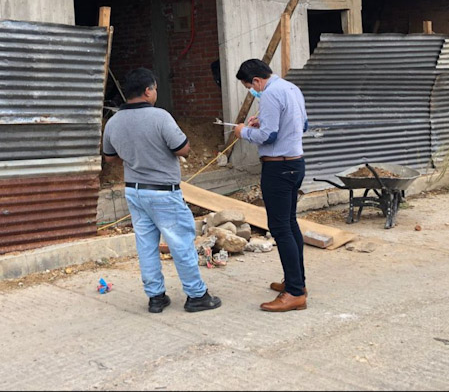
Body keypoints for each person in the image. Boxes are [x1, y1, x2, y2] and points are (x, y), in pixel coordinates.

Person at [102, 67, 222, 314]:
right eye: (155, 88)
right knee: (181, 243)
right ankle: (197, 294)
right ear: (148, 91)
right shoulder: (160, 117)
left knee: (146, 245)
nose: (155, 92)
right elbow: (183, 149)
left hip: (135, 192)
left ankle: (156, 297)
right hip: (163, 192)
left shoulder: (114, 121)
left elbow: (110, 158)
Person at [233, 59, 309, 312]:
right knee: (289, 223)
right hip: (295, 163)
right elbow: (303, 125)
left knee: (280, 228)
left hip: (279, 167)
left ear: (256, 80)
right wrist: (261, 124)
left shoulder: (270, 94)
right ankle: (296, 282)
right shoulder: (291, 88)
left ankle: (295, 293)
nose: (252, 92)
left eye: (249, 87)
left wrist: (244, 131)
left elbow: (270, 135)